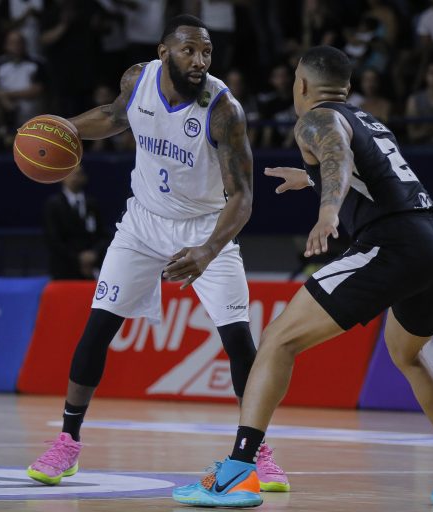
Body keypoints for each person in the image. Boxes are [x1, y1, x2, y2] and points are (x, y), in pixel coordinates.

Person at [172, 45, 433, 508]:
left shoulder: (315, 118)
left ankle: (238, 471)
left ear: (301, 84)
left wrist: (327, 212)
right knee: (408, 355)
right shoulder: (368, 119)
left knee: (277, 340)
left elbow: (337, 158)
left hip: (394, 243)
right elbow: (368, 172)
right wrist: (311, 178)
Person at [26, 15, 289, 492]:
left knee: (238, 341)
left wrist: (208, 250)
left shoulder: (223, 109)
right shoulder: (138, 79)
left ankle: (257, 451)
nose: (200, 60)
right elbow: (113, 116)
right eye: (189, 50)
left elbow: (243, 197)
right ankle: (67, 441)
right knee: (98, 327)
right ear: (164, 52)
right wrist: (64, 129)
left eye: (206, 52)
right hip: (143, 223)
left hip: (206, 228)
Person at [43, 166, 112, 280]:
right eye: (70, 173)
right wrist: (78, 258)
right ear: (62, 178)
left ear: (84, 178)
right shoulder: (53, 204)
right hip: (64, 270)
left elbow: (102, 235)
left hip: (91, 269)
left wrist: (94, 254)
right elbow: (53, 239)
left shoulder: (92, 203)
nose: (75, 177)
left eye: (78, 173)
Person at [0, 30, 45, 136]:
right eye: (12, 43)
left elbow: (37, 90)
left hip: (27, 106)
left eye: (19, 42)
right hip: (3, 107)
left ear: (25, 45)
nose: (16, 46)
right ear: (6, 45)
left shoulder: (37, 63)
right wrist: (2, 98)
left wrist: (6, 95)